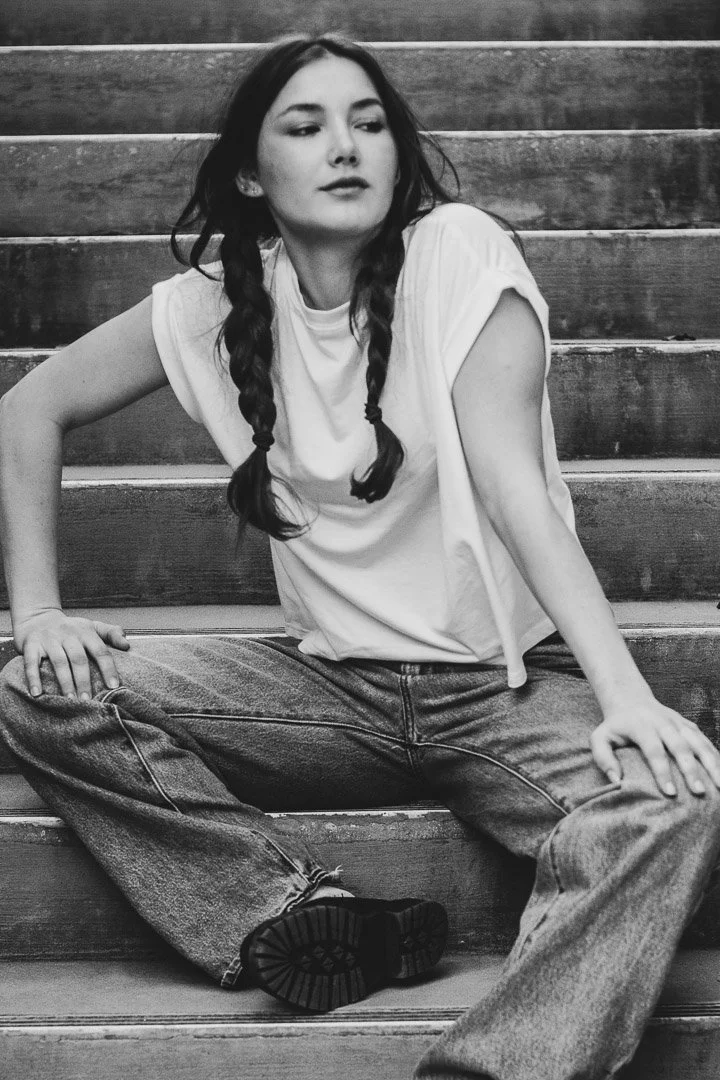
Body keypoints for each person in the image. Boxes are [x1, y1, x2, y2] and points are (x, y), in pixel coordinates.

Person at [0, 32, 719, 1080]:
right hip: (330, 689)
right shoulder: (218, 302)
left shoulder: (459, 253)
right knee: (38, 688)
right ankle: (293, 911)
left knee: (675, 802)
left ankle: (496, 1068)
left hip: (505, 689)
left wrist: (626, 696)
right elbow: (30, 407)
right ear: (253, 173)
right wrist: (38, 613)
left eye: (369, 123)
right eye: (306, 126)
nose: (345, 146)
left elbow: (514, 487)